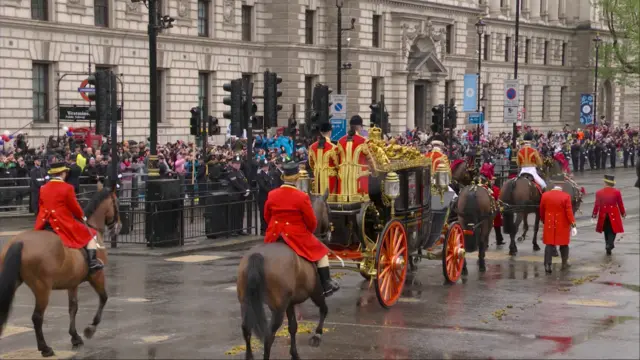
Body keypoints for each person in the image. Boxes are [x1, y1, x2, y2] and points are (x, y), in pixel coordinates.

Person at [263, 161, 340, 297]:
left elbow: (267, 215)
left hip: (274, 233)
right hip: (295, 233)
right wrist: (308, 231)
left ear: (283, 177)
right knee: (322, 252)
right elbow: (311, 222)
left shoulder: (272, 194)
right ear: (297, 178)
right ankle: (326, 284)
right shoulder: (301, 196)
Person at [33, 161, 103, 272]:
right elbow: (74, 207)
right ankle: (92, 262)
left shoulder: (43, 188)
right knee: (91, 235)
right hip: (61, 221)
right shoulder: (67, 188)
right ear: (63, 173)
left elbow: (41, 206)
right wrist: (82, 216)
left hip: (45, 222)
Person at [539, 173, 577, 274]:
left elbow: (541, 211)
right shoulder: (566, 196)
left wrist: (544, 220)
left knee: (549, 244)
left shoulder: (545, 195)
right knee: (564, 244)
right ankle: (564, 262)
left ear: (554, 184)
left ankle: (547, 264)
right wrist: (573, 225)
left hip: (549, 222)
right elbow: (569, 212)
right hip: (562, 223)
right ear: (562, 185)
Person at [336, 115, 369, 202]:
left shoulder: (340, 141)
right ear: (360, 127)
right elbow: (370, 159)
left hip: (343, 182)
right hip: (359, 181)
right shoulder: (363, 141)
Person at [592, 175, 626, 255]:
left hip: (603, 214)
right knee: (613, 230)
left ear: (605, 183)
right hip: (613, 213)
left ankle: (608, 247)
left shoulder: (599, 192)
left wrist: (594, 214)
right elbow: (620, 204)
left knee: (606, 231)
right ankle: (609, 244)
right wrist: (623, 213)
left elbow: (597, 205)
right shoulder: (617, 192)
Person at [308, 122, 339, 198]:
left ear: (321, 132)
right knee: (330, 200)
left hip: (317, 178)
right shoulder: (333, 147)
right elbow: (337, 165)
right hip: (330, 178)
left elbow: (311, 164)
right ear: (330, 131)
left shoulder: (312, 147)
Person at [225, 155, 250, 236]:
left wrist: (247, 189)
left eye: (239, 164)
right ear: (232, 164)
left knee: (240, 213)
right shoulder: (230, 172)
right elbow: (235, 183)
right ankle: (233, 230)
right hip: (234, 196)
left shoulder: (241, 172)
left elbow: (245, 181)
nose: (238, 165)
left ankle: (240, 229)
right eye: (236, 163)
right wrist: (244, 190)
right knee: (234, 214)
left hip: (241, 196)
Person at [255, 158, 273, 235]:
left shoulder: (271, 174)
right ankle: (263, 229)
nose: (266, 167)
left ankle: (269, 228)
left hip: (270, 197)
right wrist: (271, 192)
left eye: (267, 166)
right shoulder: (259, 175)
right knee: (263, 213)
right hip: (263, 197)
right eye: (264, 166)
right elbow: (263, 186)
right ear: (261, 167)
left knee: (270, 213)